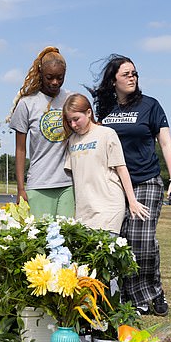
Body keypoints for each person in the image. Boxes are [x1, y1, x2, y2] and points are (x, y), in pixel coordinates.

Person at [89, 54, 171, 316]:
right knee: (124, 242)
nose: (132, 78)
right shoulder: (105, 111)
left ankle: (142, 297)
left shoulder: (150, 106)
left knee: (140, 239)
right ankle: (149, 291)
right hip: (114, 185)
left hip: (146, 180)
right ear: (113, 80)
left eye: (135, 73)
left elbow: (166, 143)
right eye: (126, 74)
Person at [62, 93, 150, 235]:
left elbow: (121, 169)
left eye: (76, 119)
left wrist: (132, 201)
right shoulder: (72, 140)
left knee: (105, 255)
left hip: (108, 209)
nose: (73, 125)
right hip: (84, 213)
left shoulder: (107, 134)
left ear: (89, 112)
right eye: (69, 121)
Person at [7, 46, 74, 218]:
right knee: (42, 240)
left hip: (68, 183)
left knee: (66, 239)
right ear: (40, 73)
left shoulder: (71, 99)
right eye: (49, 77)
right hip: (39, 184)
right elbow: (20, 150)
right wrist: (21, 188)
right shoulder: (27, 103)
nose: (55, 83)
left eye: (60, 78)